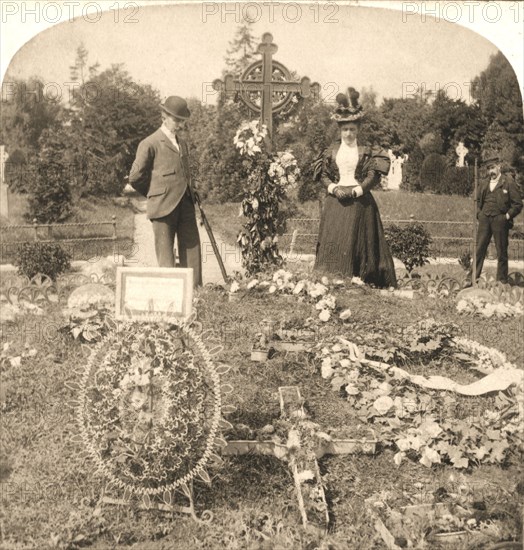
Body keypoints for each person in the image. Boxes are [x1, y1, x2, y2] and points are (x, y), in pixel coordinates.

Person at [313, 87, 397, 288]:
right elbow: (323, 175)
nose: (348, 133)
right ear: (339, 130)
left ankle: (361, 281)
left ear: (358, 129)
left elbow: (373, 175)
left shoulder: (366, 150)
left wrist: (357, 190)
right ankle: (332, 279)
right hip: (336, 202)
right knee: (336, 240)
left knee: (357, 241)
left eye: (352, 129)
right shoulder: (331, 151)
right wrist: (334, 188)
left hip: (360, 202)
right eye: (345, 129)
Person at [129, 96, 202, 287]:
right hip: (162, 207)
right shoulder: (150, 143)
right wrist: (155, 192)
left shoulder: (183, 143)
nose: (179, 124)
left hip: (185, 203)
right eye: (176, 120)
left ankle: (195, 293)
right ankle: (171, 294)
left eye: (182, 121)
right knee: (166, 254)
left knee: (192, 248)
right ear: (164, 116)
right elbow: (135, 177)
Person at [473, 155, 522, 284]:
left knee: (501, 252)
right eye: (488, 169)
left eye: (493, 168)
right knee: (479, 249)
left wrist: (507, 216)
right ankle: (472, 279)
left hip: (500, 220)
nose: (491, 172)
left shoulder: (508, 182)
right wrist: (479, 214)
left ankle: (501, 281)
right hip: (485, 220)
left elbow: (518, 204)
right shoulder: (484, 183)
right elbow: (477, 201)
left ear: (499, 166)